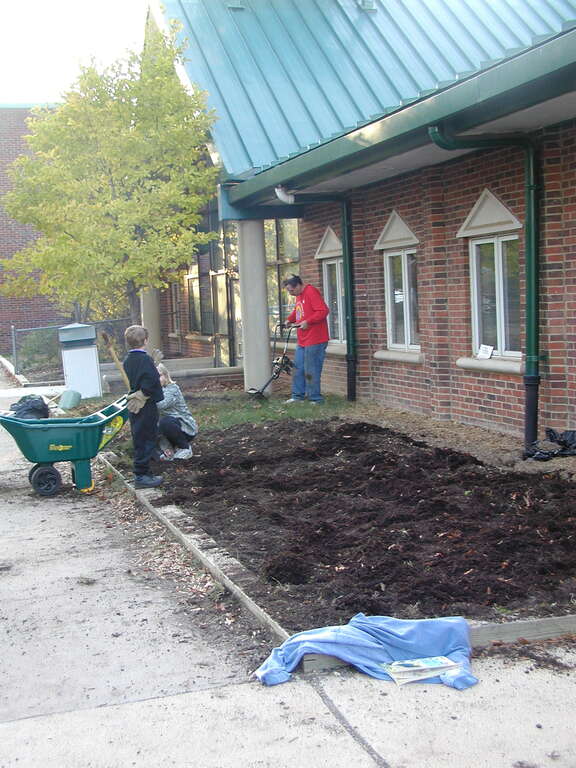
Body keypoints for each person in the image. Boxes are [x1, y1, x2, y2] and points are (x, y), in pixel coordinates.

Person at [123, 325, 164, 489]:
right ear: (145, 341)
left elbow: (141, 375)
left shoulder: (128, 360)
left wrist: (153, 364)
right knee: (146, 438)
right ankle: (141, 476)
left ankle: (145, 472)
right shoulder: (145, 359)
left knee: (140, 436)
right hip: (145, 405)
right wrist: (143, 394)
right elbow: (151, 380)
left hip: (135, 405)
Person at [282, 274, 330, 404]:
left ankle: (315, 398)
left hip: (316, 338)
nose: (291, 293)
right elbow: (299, 311)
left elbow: (323, 311)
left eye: (291, 290)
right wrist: (289, 319)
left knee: (311, 369)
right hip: (303, 339)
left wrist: (308, 321)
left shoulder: (311, 292)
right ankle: (297, 396)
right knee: (298, 368)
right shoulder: (299, 296)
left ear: (298, 285)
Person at [156, 363, 198, 460]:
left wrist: (147, 397)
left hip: (184, 428)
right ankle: (169, 451)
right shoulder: (155, 391)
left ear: (166, 376)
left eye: (159, 376)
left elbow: (162, 404)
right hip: (167, 430)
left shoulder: (172, 389)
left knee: (166, 422)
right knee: (151, 426)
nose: (157, 380)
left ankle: (185, 448)